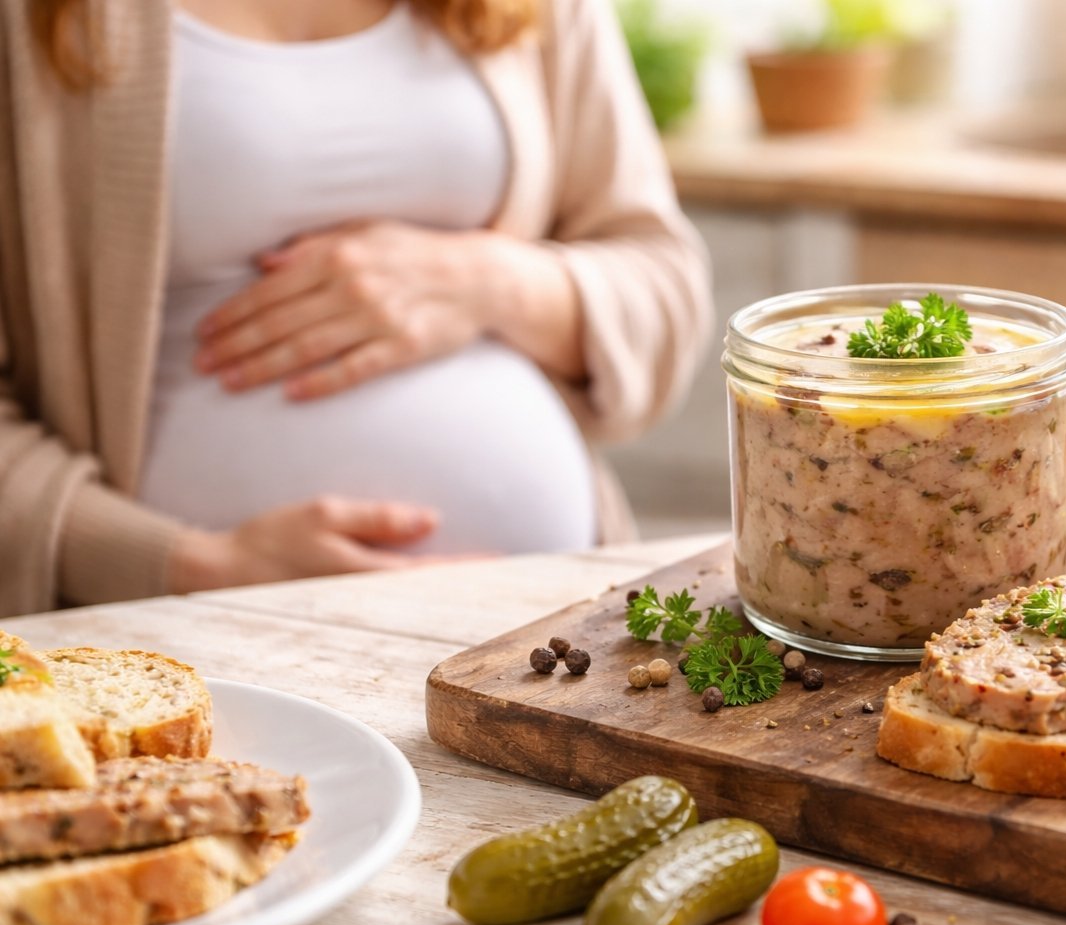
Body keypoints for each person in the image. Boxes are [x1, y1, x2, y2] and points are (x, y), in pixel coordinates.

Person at [0, 0, 711, 616]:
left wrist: (492, 281)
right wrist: (187, 566)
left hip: (549, 630)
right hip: (187, 646)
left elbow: (665, 281)